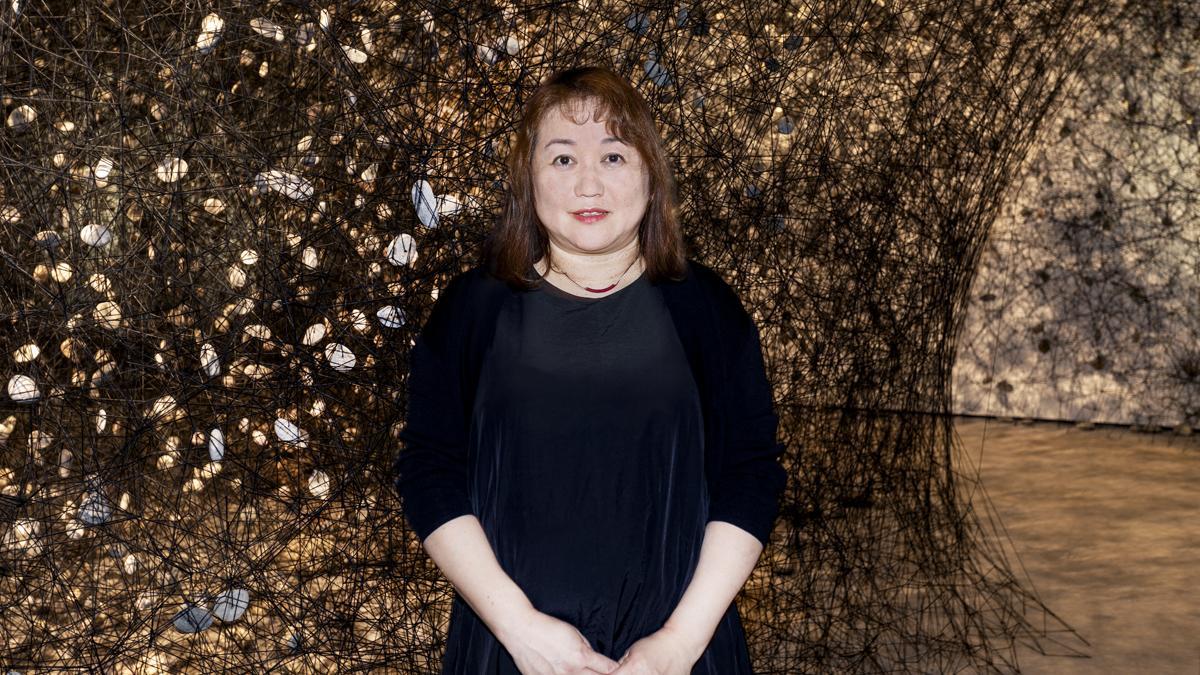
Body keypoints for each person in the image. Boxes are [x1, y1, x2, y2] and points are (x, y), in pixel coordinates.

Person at [393, 66, 787, 675]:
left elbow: (751, 474)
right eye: (562, 160)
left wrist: (680, 643)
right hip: (509, 650)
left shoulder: (707, 309)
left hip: (679, 653)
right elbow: (428, 471)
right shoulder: (474, 308)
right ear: (529, 181)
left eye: (612, 155)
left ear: (650, 177)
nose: (588, 185)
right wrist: (521, 631)